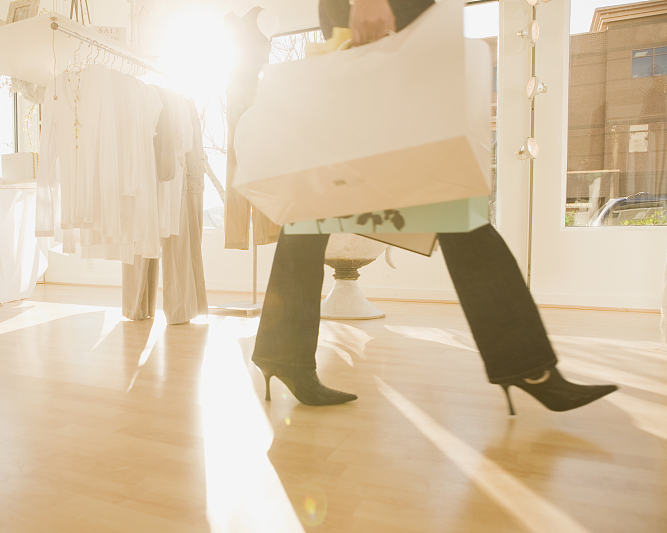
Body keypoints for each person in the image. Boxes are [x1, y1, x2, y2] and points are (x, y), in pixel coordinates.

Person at [250, 0, 618, 414]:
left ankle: (283, 354)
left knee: (318, 207)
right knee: (452, 209)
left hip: (396, 37)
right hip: (377, 26)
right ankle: (528, 368)